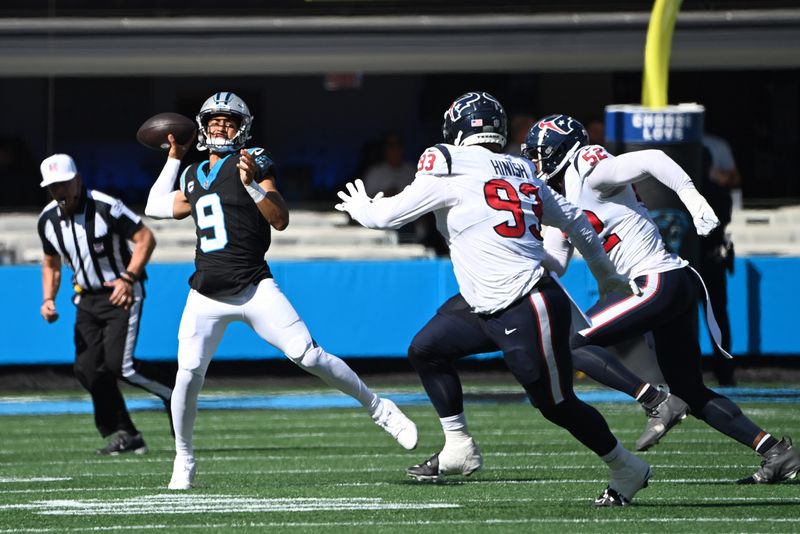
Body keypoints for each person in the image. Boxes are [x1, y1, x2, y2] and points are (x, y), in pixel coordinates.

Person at [336, 91, 651, 507]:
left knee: (556, 404)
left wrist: (363, 208)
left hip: (526, 301)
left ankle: (626, 466)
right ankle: (459, 446)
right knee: (428, 349)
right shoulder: (521, 168)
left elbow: (386, 217)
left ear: (457, 129)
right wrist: (605, 274)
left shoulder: (449, 162)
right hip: (486, 301)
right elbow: (574, 219)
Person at [144, 91, 417, 491]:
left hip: (254, 286)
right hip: (206, 293)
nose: (222, 127)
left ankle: (380, 409)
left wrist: (253, 185)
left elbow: (281, 219)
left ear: (243, 128)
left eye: (230, 121)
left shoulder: (253, 161)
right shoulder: (191, 173)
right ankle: (183, 458)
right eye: (215, 120)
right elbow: (155, 206)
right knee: (187, 375)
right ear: (203, 125)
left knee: (308, 354)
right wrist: (172, 157)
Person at [523, 114, 800, 484]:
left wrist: (693, 198)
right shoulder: (556, 199)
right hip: (667, 284)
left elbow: (652, 157)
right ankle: (777, 453)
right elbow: (555, 262)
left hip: (656, 280)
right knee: (689, 388)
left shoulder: (588, 168)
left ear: (562, 149)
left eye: (541, 154)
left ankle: (653, 400)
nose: (536, 163)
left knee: (571, 342)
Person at [37, 153, 174, 455]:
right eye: (53, 187)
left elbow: (145, 238)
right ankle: (127, 433)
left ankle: (173, 392)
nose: (59, 192)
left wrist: (128, 278)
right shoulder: (47, 220)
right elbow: (51, 263)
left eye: (63, 184)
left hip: (120, 292)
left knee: (119, 364)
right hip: (86, 297)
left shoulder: (104, 206)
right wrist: (48, 298)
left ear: (78, 180)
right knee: (87, 369)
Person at [700, 140, 737, 386]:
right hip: (713, 260)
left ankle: (685, 369)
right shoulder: (720, 193)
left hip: (694, 262)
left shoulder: (684, 194)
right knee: (718, 318)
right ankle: (725, 372)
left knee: (680, 319)